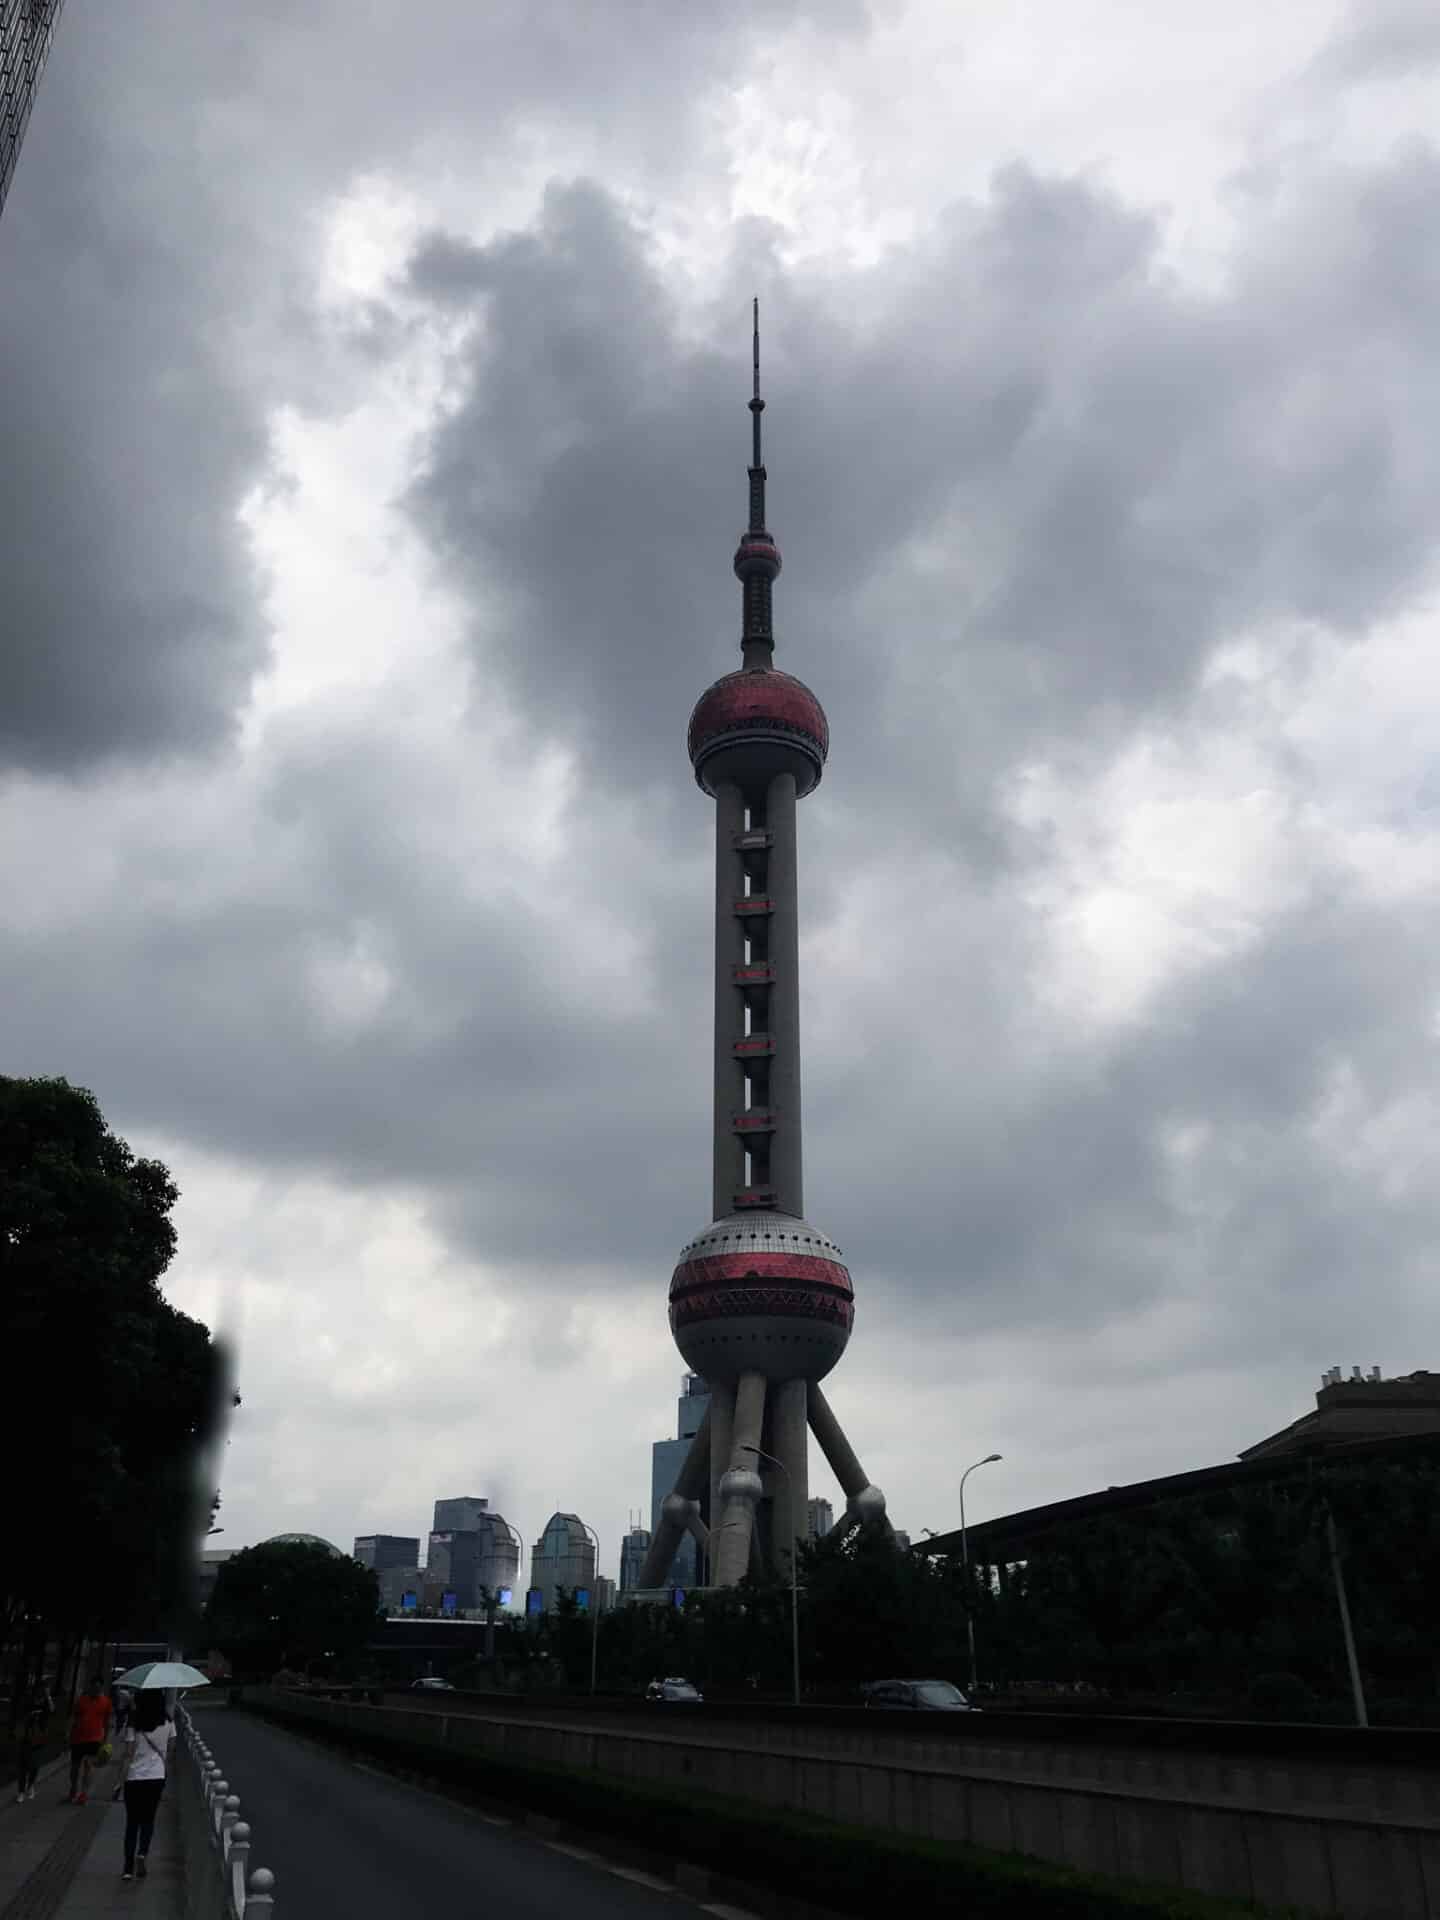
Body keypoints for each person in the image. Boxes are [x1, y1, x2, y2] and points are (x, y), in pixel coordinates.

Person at [116, 1692, 174, 1882]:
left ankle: (127, 1868)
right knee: (148, 1819)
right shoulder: (168, 1722)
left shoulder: (134, 1722)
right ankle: (142, 1854)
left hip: (134, 1778)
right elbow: (170, 1749)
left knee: (132, 1823)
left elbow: (128, 1754)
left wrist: (119, 1781)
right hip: (156, 1777)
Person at [67, 1675, 111, 1805]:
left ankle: (84, 1793)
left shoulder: (106, 1702)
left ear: (101, 1688)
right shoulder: (81, 1700)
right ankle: (73, 1787)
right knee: (74, 1767)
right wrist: (68, 1733)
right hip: (77, 1738)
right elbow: (73, 1717)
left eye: (99, 1688)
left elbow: (107, 1722)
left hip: (94, 1739)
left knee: (89, 1766)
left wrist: (105, 1739)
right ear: (90, 1687)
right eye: (94, 1687)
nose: (96, 1690)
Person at [14, 1678, 52, 1803]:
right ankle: (20, 1792)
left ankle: (30, 1786)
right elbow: (21, 1714)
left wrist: (48, 1697)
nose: (44, 1691)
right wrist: (30, 1715)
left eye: (46, 1689)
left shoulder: (47, 1702)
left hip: (39, 1737)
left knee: (34, 1765)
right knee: (23, 1765)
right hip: (26, 1736)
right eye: (42, 1688)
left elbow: (52, 1711)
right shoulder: (29, 1700)